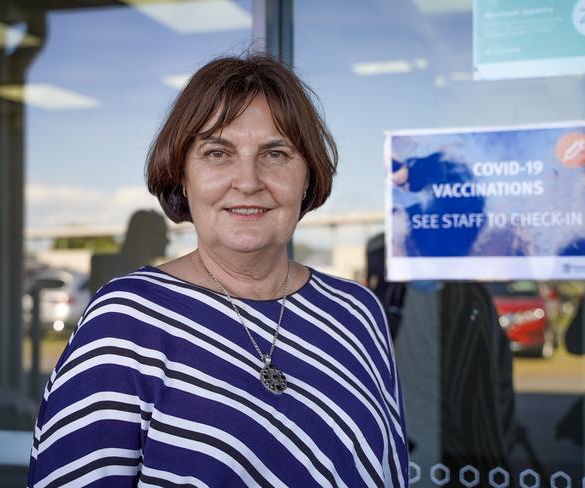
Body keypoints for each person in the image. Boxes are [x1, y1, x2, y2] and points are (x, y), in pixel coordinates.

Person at [27, 53, 408, 488]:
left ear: (307, 176)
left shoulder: (358, 314)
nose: (247, 181)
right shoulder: (126, 322)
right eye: (217, 152)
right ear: (182, 176)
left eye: (276, 153)